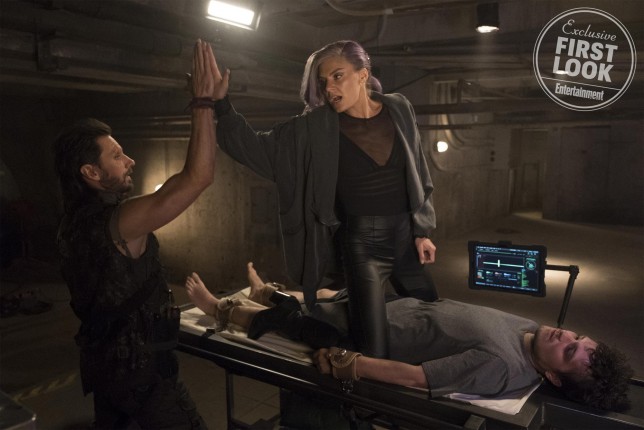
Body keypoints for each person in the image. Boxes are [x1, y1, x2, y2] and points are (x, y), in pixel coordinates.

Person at [211, 40, 438, 358]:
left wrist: (421, 230)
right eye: (323, 81)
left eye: (337, 76)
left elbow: (418, 167)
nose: (329, 88)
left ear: (363, 74)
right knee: (369, 350)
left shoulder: (399, 107)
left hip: (405, 239)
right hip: (363, 247)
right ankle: (284, 318)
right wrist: (221, 105)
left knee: (435, 317)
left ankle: (281, 302)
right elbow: (257, 150)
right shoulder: (313, 130)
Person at [185, 263, 633, 412]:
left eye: (568, 350)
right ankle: (265, 291)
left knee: (293, 321)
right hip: (389, 311)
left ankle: (220, 308)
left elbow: (418, 377)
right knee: (326, 295)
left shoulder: (500, 366)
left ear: (553, 377)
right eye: (578, 336)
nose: (565, 334)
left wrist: (350, 364)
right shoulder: (532, 334)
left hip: (365, 335)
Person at [53, 40, 224, 429]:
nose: (129, 161)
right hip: (145, 379)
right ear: (91, 173)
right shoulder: (120, 221)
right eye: (116, 156)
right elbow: (198, 177)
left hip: (104, 372)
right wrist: (203, 103)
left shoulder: (70, 223)